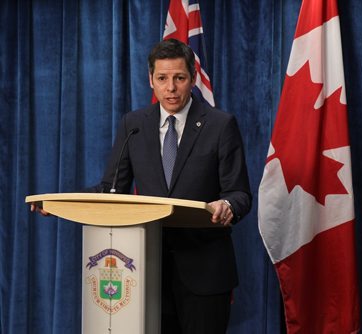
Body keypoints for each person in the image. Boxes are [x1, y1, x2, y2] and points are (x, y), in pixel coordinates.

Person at [33, 38, 252, 333]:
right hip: (147, 270)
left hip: (205, 271)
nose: (171, 88)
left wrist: (226, 206)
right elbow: (110, 189)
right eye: (162, 78)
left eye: (179, 78)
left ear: (193, 78)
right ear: (151, 80)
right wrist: (58, 202)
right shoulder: (133, 124)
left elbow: (239, 193)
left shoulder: (220, 124)